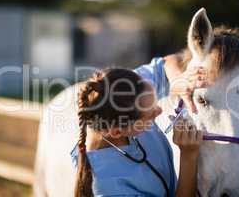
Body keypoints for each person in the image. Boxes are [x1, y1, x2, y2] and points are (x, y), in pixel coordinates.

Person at [71, 55, 208, 197]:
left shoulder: (128, 88)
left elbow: (167, 62)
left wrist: (177, 80)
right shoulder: (108, 188)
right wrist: (188, 156)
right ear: (117, 132)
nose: (159, 110)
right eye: (150, 115)